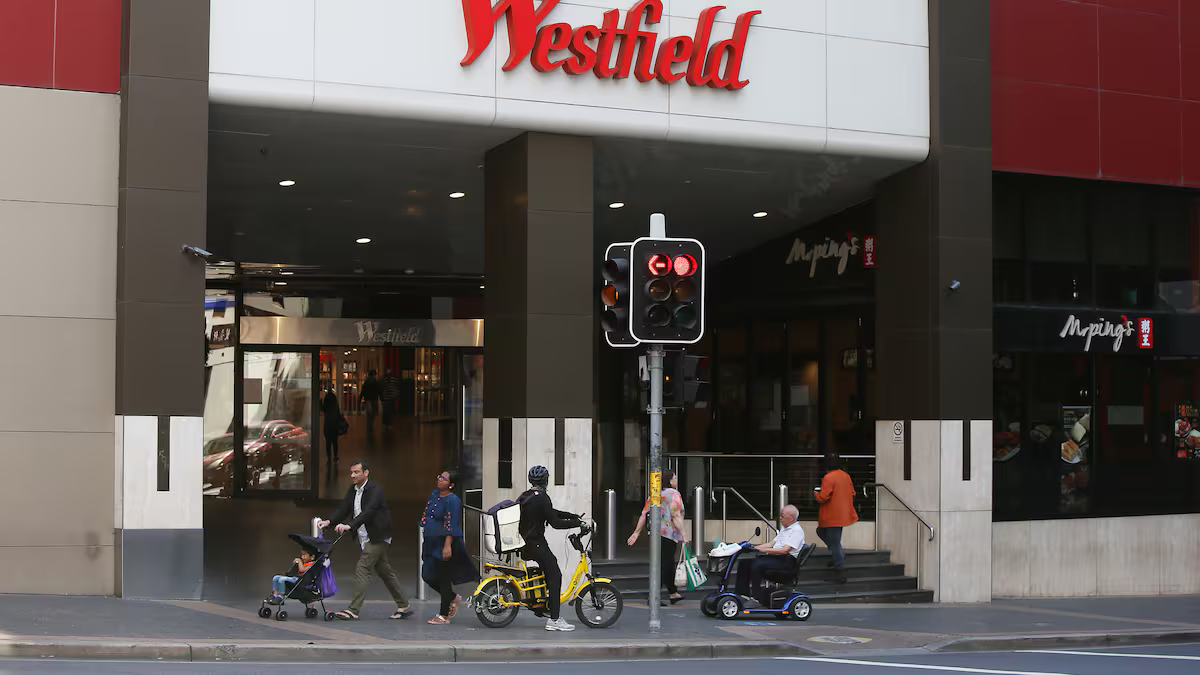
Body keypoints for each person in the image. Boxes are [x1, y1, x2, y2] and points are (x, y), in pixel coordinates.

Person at [317, 460, 413, 620]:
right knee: (384, 571)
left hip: (378, 536)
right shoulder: (353, 490)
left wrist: (350, 526)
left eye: (356, 472)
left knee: (363, 567)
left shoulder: (375, 490)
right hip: (365, 536)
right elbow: (344, 508)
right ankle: (403, 604)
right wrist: (329, 521)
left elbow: (369, 512)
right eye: (351, 472)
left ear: (366, 473)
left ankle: (353, 610)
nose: (353, 475)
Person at [519, 465, 583, 631]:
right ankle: (554, 619)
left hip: (526, 542)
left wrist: (571, 516)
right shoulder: (542, 498)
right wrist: (576, 523)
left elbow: (550, 513)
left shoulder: (526, 496)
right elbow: (555, 522)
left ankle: (545, 606)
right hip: (536, 543)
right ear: (546, 480)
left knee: (548, 572)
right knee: (555, 575)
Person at [421, 469, 480, 624]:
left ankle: (443, 615)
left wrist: (447, 545)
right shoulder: (434, 495)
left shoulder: (453, 500)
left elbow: (452, 524)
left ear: (451, 485)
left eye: (444, 478)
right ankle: (453, 597)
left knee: (444, 578)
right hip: (430, 542)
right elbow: (427, 515)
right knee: (426, 574)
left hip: (445, 544)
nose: (440, 479)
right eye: (439, 476)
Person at [626, 469, 689, 605]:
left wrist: (636, 533)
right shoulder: (674, 494)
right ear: (670, 480)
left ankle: (673, 593)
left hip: (655, 534)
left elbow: (644, 514)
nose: (677, 480)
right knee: (665, 565)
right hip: (668, 535)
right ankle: (654, 597)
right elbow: (676, 515)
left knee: (664, 563)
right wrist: (684, 535)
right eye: (675, 478)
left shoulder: (655, 494)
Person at [735, 504, 805, 605]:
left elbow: (784, 550)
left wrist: (764, 551)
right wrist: (752, 548)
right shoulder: (785, 529)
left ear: (791, 518)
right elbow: (771, 544)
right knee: (744, 563)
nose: (780, 518)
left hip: (786, 563)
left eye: (782, 516)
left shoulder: (796, 531)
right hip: (777, 559)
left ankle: (756, 598)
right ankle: (742, 594)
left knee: (757, 565)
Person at [814, 453, 859, 584]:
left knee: (834, 543)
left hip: (832, 516)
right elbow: (853, 493)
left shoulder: (828, 478)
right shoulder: (845, 476)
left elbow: (823, 497)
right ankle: (838, 556)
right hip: (843, 514)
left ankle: (840, 570)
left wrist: (816, 495)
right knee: (823, 533)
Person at [321, 388, 341, 465]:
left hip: (328, 424)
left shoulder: (326, 403)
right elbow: (338, 413)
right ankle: (335, 456)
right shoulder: (335, 404)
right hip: (334, 424)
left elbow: (323, 408)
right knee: (335, 441)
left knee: (328, 442)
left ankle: (329, 456)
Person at [360, 370, 381, 435]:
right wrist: (381, 397)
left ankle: (369, 425)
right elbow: (379, 390)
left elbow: (363, 391)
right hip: (374, 398)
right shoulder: (376, 382)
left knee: (369, 413)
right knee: (373, 413)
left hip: (368, 399)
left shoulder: (366, 382)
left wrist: (360, 398)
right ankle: (371, 424)